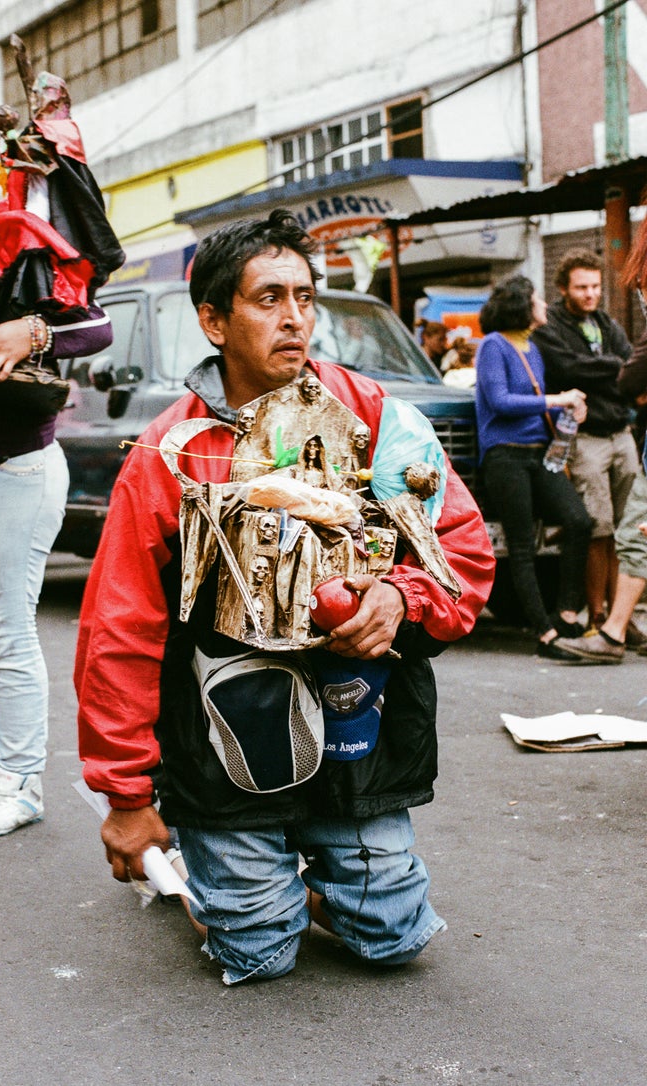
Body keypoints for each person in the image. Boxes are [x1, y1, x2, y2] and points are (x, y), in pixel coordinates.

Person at [75, 208, 495, 986]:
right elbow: (119, 629)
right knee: (258, 955)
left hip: (355, 732)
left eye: (306, 296)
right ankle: (229, 885)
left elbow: (463, 552)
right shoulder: (172, 453)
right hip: (225, 741)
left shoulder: (379, 419)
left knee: (394, 942)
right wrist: (127, 795)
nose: (295, 317)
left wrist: (401, 598)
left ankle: (305, 886)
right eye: (268, 298)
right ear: (212, 319)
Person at [0, 126, 113, 836]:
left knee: (2, 633)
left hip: (12, 465)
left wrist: (27, 333)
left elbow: (94, 325)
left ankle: (22, 780)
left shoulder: (9, 235)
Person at [475, 274, 592, 659]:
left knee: (578, 521)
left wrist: (570, 414)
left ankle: (566, 611)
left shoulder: (534, 349)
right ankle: (544, 633)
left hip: (538, 453)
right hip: (504, 456)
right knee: (522, 543)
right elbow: (500, 401)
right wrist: (558, 400)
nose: (543, 305)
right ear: (521, 305)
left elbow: (538, 404)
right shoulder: (494, 346)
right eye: (538, 299)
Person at [531, 249, 640, 638]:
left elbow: (630, 364)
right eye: (582, 287)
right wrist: (613, 367)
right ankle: (597, 616)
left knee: (629, 526)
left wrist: (609, 368)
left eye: (595, 287)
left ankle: (620, 616)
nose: (591, 294)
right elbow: (570, 369)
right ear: (563, 289)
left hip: (620, 432)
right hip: (585, 437)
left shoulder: (605, 321)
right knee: (598, 527)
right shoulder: (550, 327)